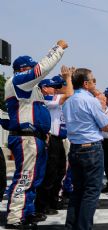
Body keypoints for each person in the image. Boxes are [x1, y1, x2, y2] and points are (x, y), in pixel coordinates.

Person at [4, 40, 68, 229]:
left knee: (34, 179)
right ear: (22, 69)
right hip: (26, 137)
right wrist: (58, 49)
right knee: (25, 178)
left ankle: (27, 212)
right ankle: (15, 217)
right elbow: (41, 70)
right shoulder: (18, 81)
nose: (33, 71)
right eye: (30, 68)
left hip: (35, 138)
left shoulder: (32, 89)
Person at [63, 68, 108, 230]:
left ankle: (71, 226)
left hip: (75, 148)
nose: (93, 82)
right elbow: (105, 126)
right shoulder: (91, 101)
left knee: (78, 191)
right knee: (91, 192)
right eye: (92, 80)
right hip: (91, 149)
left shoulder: (68, 101)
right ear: (85, 83)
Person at [35, 67, 73, 217]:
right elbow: (69, 93)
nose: (58, 89)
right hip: (51, 140)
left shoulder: (56, 99)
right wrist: (68, 78)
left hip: (59, 140)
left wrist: (71, 78)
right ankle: (42, 205)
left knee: (59, 172)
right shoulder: (48, 99)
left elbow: (71, 93)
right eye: (54, 87)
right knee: (49, 174)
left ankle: (52, 200)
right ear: (44, 88)